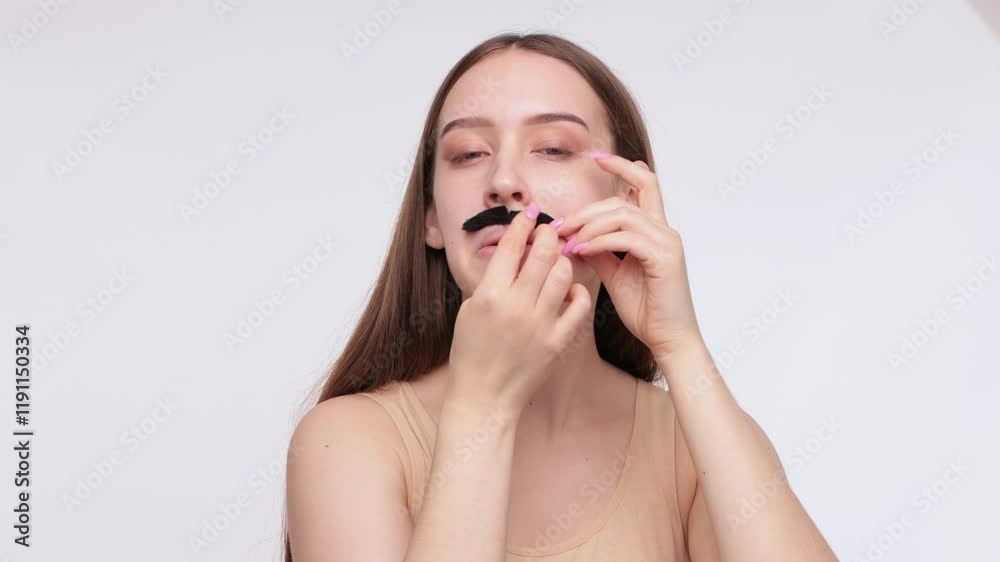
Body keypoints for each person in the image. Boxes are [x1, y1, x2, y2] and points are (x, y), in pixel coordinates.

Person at [283, 32, 837, 562]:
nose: (504, 180)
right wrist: (483, 406)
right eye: (469, 154)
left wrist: (681, 346)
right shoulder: (348, 440)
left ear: (626, 198)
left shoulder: (686, 442)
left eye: (552, 148)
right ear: (431, 217)